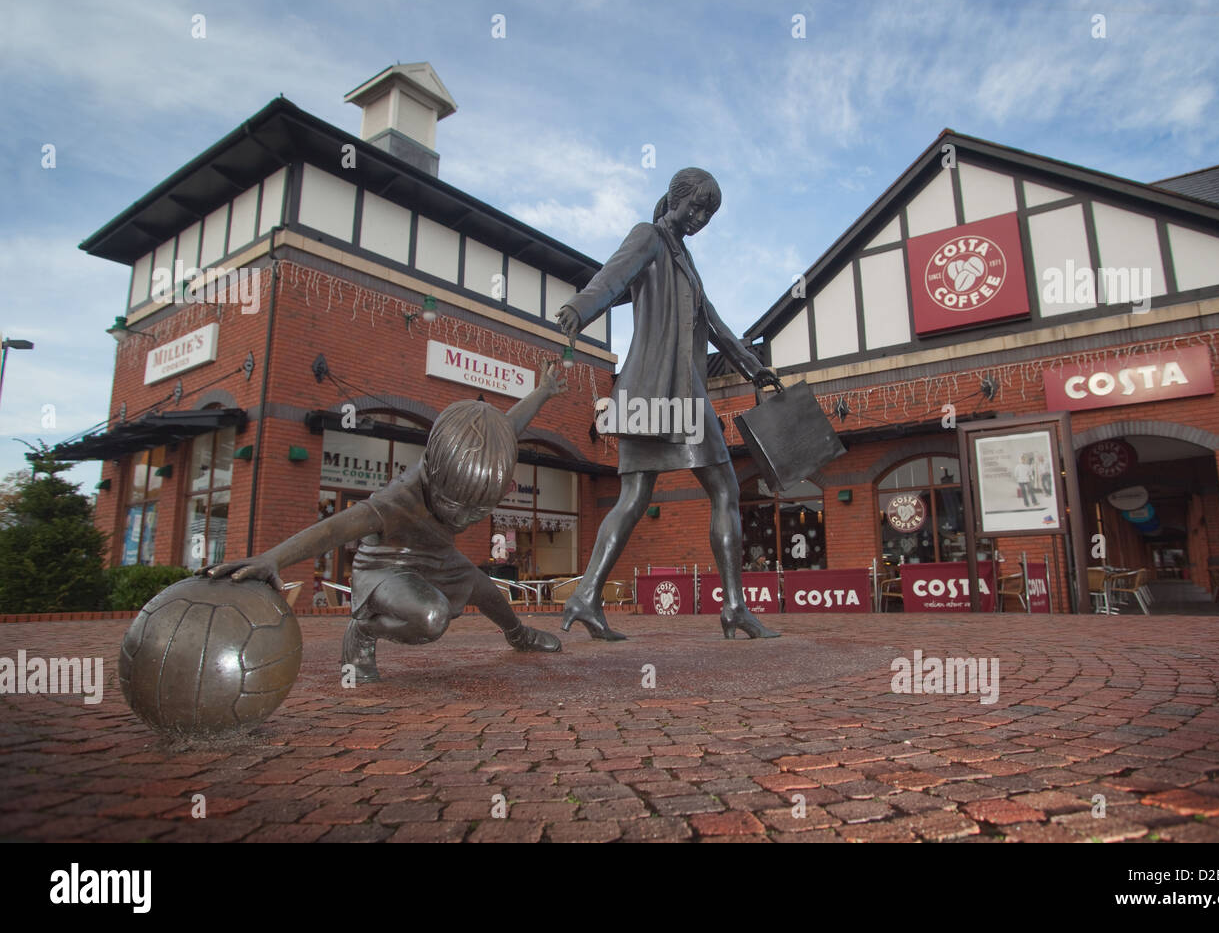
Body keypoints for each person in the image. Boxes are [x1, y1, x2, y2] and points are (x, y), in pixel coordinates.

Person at [203, 361, 569, 682]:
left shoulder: (477, 456)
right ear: (434, 471)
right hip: (387, 567)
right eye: (454, 505)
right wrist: (273, 558)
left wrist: (542, 392)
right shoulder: (399, 500)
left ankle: (519, 635)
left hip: (437, 557)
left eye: (476, 512)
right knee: (431, 618)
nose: (462, 517)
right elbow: (333, 529)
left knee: (487, 589)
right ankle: (363, 630)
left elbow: (508, 427)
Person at [555, 167, 784, 641]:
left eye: (709, 213)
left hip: (669, 394)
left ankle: (589, 596)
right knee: (699, 492)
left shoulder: (685, 259)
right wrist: (580, 307)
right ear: (674, 199)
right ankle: (731, 607)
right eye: (696, 206)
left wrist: (751, 365)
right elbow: (613, 276)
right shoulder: (650, 238)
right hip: (663, 392)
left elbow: (716, 324)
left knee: (686, 494)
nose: (700, 218)